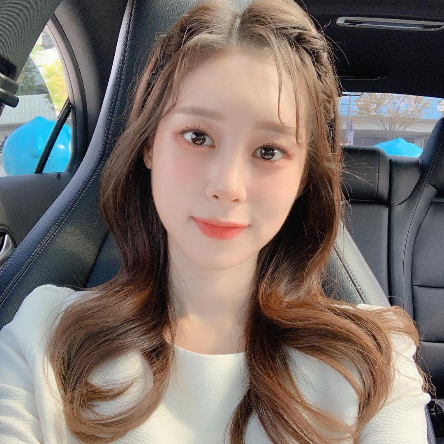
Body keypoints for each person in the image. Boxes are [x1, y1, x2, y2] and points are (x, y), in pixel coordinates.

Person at [0, 0, 432, 442]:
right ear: (149, 145)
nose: (227, 185)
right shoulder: (44, 335)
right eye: (197, 137)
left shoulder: (374, 359)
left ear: (304, 175)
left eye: (268, 151)